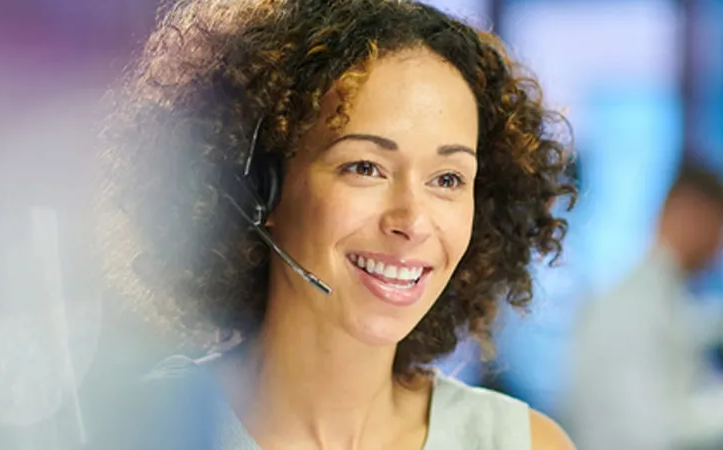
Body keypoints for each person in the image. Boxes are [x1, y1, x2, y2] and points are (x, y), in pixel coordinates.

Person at [96, 0, 577, 448]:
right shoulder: (134, 430)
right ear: (258, 185)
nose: (411, 222)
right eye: (365, 167)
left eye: (447, 178)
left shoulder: (522, 442)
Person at [568, 159, 723, 450]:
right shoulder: (631, 306)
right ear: (693, 217)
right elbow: (646, 431)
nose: (719, 247)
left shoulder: (664, 295)